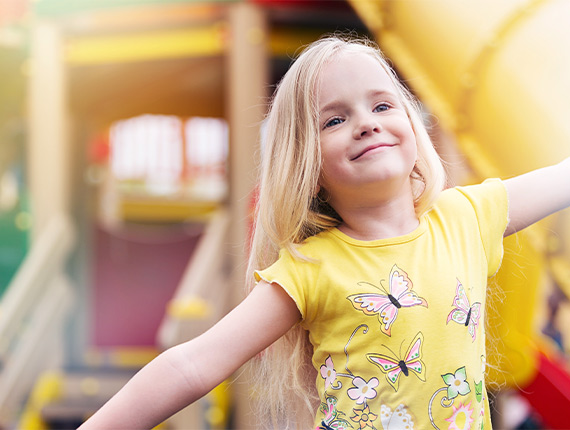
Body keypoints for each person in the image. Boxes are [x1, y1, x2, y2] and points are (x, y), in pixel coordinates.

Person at [79, 35, 570, 430]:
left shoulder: (466, 216)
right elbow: (192, 365)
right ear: (306, 165)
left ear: (410, 126)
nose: (365, 124)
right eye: (335, 119)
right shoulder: (311, 267)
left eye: (382, 106)